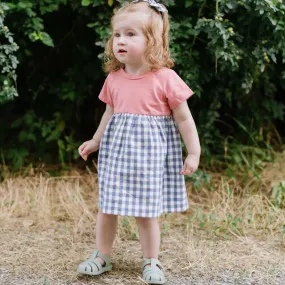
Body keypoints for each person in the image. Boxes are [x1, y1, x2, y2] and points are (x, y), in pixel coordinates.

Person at [77, 0, 201, 284]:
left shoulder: (165, 78)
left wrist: (193, 152)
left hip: (149, 158)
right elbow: (109, 112)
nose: (120, 40)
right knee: (107, 207)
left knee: (146, 213)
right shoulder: (114, 79)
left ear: (153, 40)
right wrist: (96, 139)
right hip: (117, 155)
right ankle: (102, 255)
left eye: (131, 34)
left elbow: (184, 119)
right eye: (117, 34)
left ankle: (151, 261)